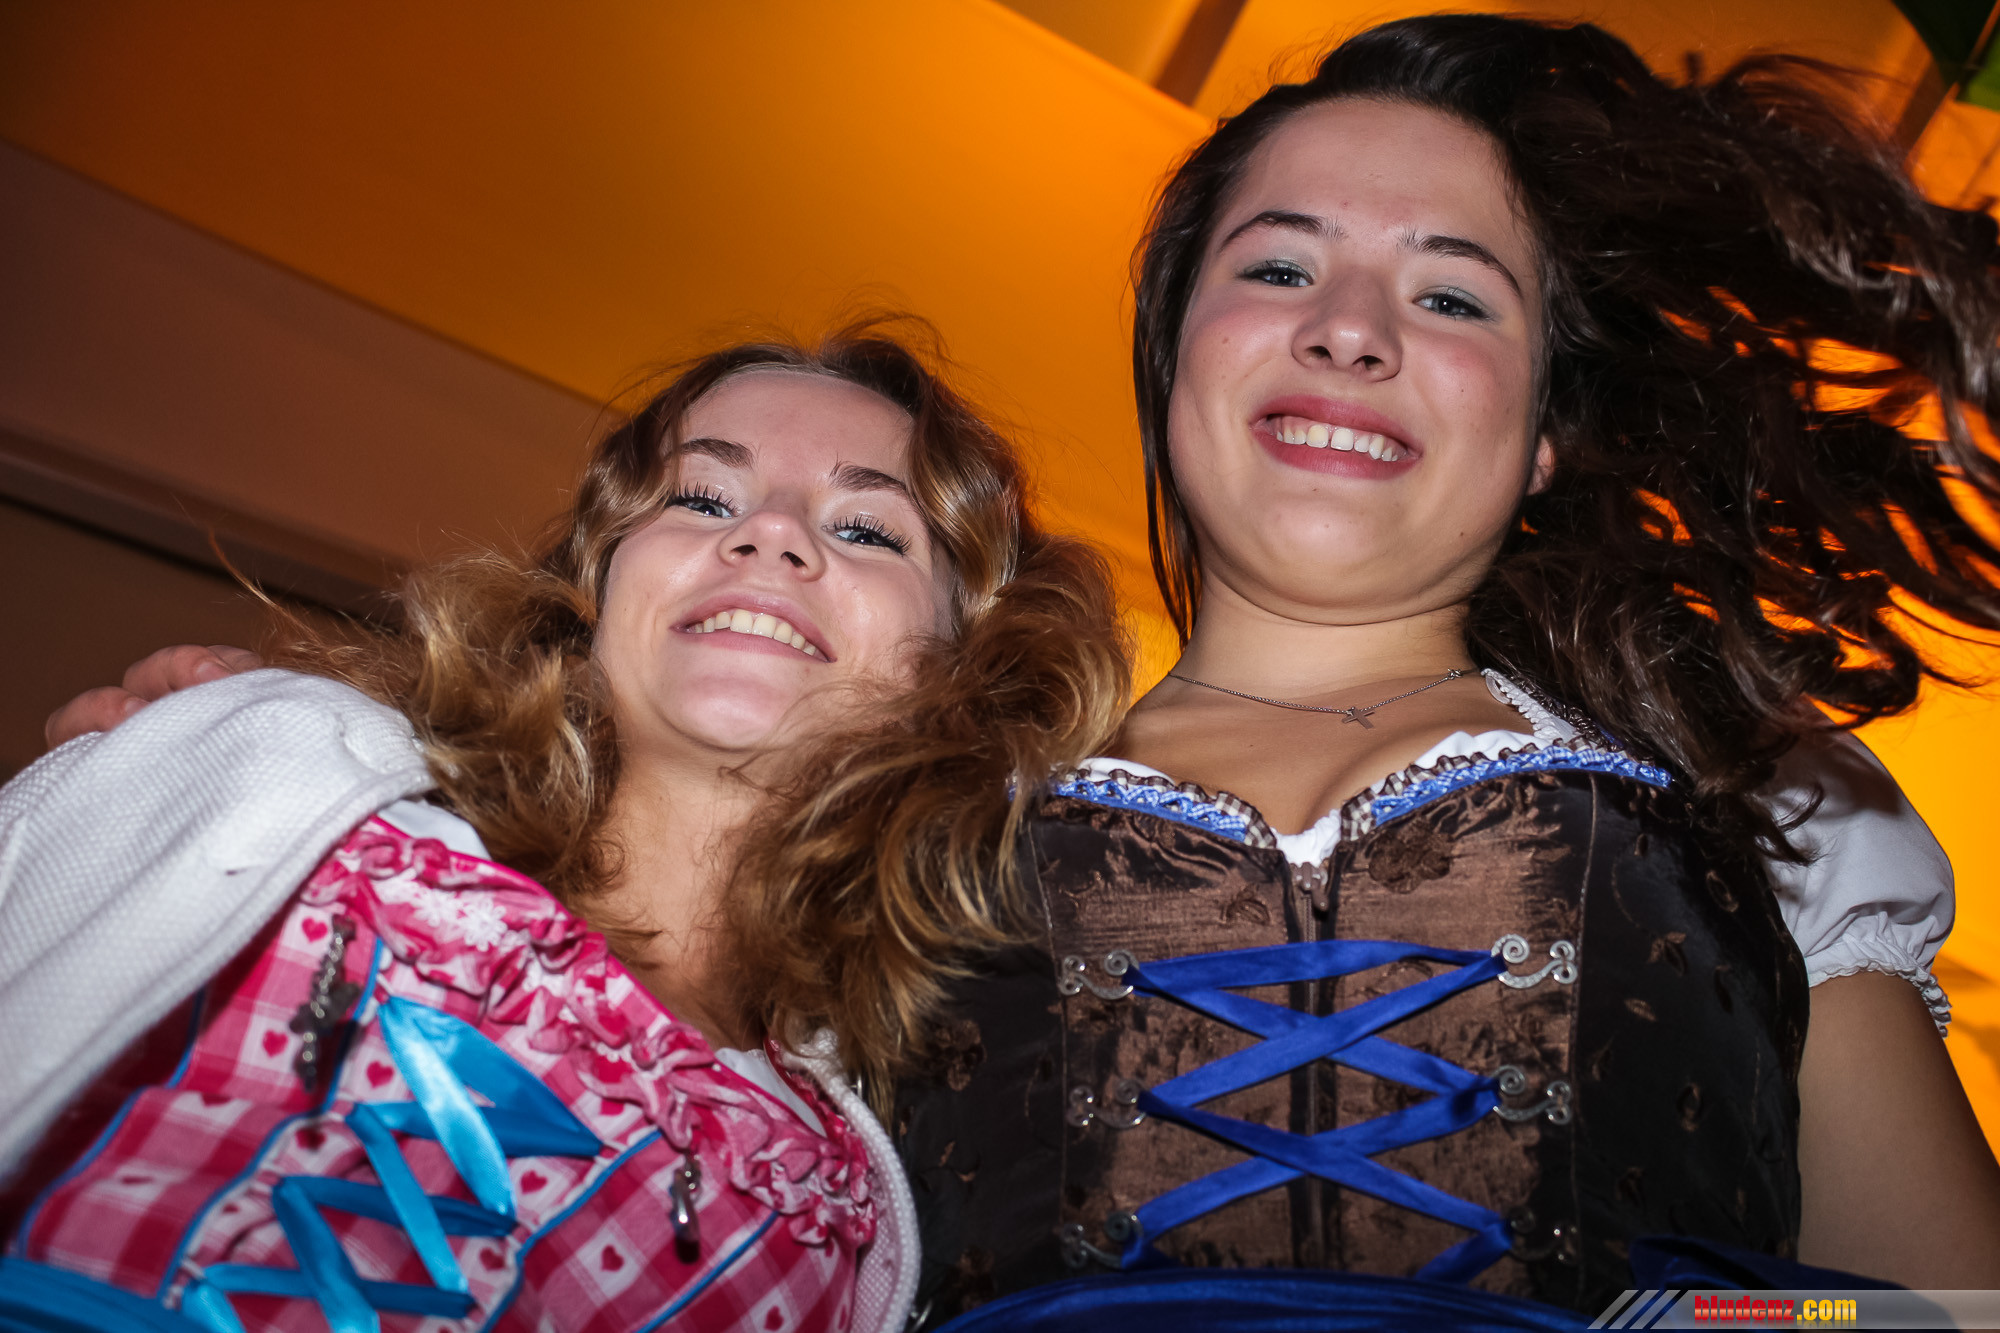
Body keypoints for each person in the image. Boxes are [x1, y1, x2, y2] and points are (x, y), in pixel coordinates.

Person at [886, 16, 2000, 1328]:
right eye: (1281, 266)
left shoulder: (1754, 792)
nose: (1349, 330)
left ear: (1545, 432)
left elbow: (1947, 1314)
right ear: (1173, 350)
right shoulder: (919, 836)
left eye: (1452, 295)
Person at [0, 322, 1130, 1332]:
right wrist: (169, 769)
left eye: (868, 528)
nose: (772, 534)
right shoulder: (293, 789)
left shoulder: (842, 1221)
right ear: (595, 588)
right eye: (702, 499)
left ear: (965, 672)